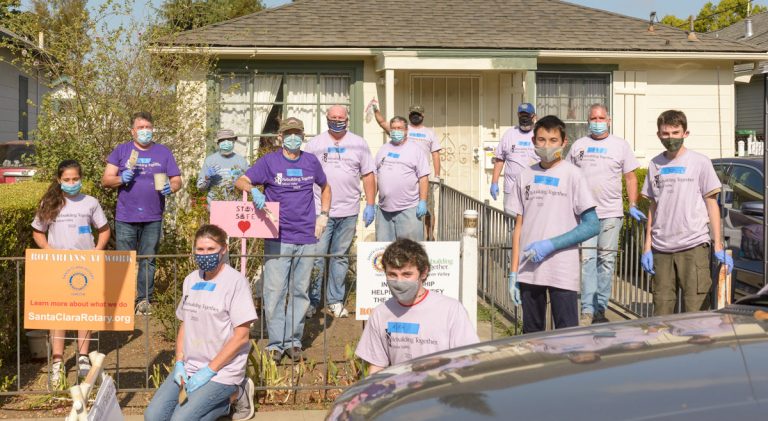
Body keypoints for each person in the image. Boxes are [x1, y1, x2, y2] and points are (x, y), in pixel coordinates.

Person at [234, 117, 331, 363]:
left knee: (300, 291)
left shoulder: (310, 161)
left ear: (303, 136)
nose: (293, 137)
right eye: (288, 133)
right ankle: (276, 344)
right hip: (278, 236)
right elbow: (240, 180)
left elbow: (325, 186)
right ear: (280, 137)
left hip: (307, 236)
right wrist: (253, 189)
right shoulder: (269, 162)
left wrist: (324, 215)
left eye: (297, 133)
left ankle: (294, 341)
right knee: (275, 292)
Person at [145, 224, 257, 421]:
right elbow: (185, 324)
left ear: (223, 249)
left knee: (181, 419)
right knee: (153, 416)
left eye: (211, 249)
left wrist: (209, 370)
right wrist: (179, 362)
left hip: (222, 371)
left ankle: (236, 394)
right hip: (189, 368)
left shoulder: (236, 282)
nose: (205, 254)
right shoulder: (190, 280)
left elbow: (241, 337)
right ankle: (223, 405)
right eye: (200, 249)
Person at [508, 115, 599, 333]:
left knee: (567, 337)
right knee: (531, 335)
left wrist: (552, 244)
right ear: (533, 142)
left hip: (562, 269)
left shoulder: (573, 175)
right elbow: (518, 226)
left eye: (552, 140)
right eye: (541, 140)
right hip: (529, 269)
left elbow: (592, 225)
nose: (546, 145)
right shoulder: (525, 175)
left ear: (563, 142)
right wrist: (514, 272)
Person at [640, 110, 732, 315]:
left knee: (696, 311)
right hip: (661, 248)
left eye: (675, 132)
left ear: (685, 133)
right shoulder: (655, 164)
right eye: (666, 133)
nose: (670, 138)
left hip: (693, 246)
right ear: (658, 135)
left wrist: (718, 245)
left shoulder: (700, 162)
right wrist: (647, 246)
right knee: (661, 311)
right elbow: (653, 206)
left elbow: (711, 204)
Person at [32, 160, 110, 387]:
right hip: (58, 267)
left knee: (83, 311)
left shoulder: (91, 202)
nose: (71, 183)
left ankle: (83, 356)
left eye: (75, 179)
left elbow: (104, 230)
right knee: (60, 314)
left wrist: (97, 251)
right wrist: (48, 251)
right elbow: (38, 231)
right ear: (59, 180)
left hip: (85, 267)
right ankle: (57, 361)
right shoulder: (50, 202)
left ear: (81, 178)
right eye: (66, 180)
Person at [566, 104, 645, 326]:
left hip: (611, 214)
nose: (597, 121)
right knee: (588, 260)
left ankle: (601, 307)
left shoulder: (620, 146)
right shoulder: (578, 146)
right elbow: (569, 176)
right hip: (585, 214)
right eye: (593, 117)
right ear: (587, 120)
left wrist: (633, 204)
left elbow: (630, 177)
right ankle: (587, 310)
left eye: (601, 118)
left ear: (609, 120)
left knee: (606, 261)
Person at [355, 239, 478, 374]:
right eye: (392, 274)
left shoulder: (451, 310)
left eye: (407, 274)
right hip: (401, 392)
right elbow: (377, 366)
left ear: (424, 272)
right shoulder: (380, 313)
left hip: (441, 390)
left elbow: (467, 361)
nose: (399, 282)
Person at [102, 111, 182, 315]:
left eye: (148, 127)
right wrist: (121, 178)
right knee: (123, 260)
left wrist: (171, 188)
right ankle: (120, 302)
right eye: (140, 128)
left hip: (153, 216)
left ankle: (144, 301)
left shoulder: (163, 152)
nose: (145, 131)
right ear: (132, 131)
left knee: (148, 259)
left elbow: (177, 180)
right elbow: (106, 180)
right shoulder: (121, 151)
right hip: (126, 216)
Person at [305, 105, 376, 319]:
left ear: (347, 119)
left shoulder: (359, 143)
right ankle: (312, 301)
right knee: (316, 256)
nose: (337, 120)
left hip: (349, 210)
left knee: (340, 257)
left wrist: (371, 203)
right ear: (326, 118)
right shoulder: (315, 144)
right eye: (333, 117)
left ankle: (335, 300)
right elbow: (305, 174)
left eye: (340, 117)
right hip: (320, 211)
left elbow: (368, 175)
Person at [374, 103, 441, 240]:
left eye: (418, 114)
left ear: (423, 116)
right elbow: (382, 122)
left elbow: (435, 154)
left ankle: (430, 236)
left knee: (428, 210)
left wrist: (437, 175)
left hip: (419, 178)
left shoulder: (429, 133)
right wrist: (376, 110)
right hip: (386, 206)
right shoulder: (385, 148)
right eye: (412, 114)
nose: (396, 131)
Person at [490, 103, 540, 215]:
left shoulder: (539, 135)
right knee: (511, 225)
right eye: (521, 115)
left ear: (534, 116)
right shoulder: (509, 134)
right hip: (511, 190)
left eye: (527, 115)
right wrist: (494, 182)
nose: (524, 118)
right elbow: (499, 159)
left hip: (533, 190)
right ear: (518, 115)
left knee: (530, 225)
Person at [197, 129, 249, 204]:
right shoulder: (210, 160)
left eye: (229, 139)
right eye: (223, 140)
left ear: (234, 141)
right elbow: (200, 187)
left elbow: (250, 183)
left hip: (236, 206)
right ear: (218, 143)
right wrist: (207, 177)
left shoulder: (241, 161)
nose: (226, 142)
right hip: (215, 206)